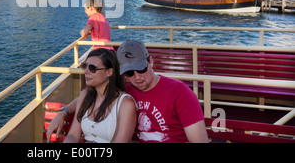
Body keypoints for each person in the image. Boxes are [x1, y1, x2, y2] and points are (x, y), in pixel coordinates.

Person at [47, 40, 208, 143]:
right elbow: (91, 96)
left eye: (141, 69)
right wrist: (64, 111)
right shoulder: (129, 89)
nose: (137, 77)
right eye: (129, 73)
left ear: (151, 61)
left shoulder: (179, 93)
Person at [61, 48, 136, 143]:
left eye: (92, 68)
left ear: (109, 72)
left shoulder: (125, 104)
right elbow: (73, 135)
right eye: (85, 66)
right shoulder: (85, 95)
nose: (86, 72)